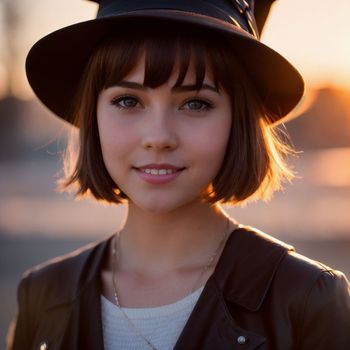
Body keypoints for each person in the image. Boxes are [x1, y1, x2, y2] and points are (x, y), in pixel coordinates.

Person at [7, 1, 350, 349]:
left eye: (195, 103)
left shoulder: (305, 299)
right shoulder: (44, 294)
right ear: (92, 115)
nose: (158, 137)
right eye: (128, 101)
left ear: (238, 122)